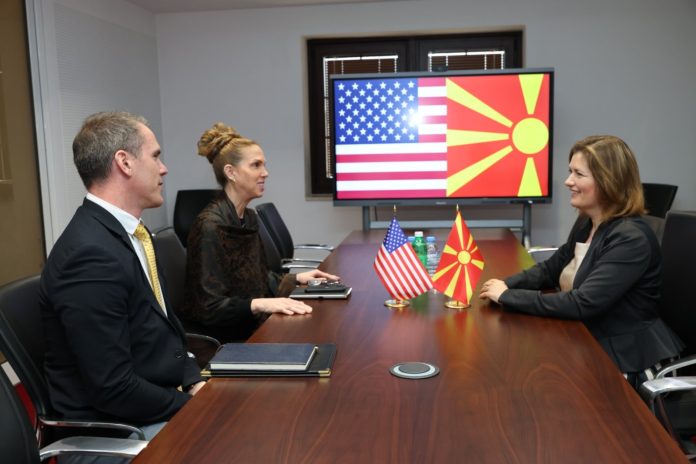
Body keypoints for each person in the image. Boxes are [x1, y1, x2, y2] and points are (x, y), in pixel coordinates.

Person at [40, 112, 206, 449]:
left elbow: (163, 329)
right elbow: (113, 388)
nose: (164, 168)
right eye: (155, 156)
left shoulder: (132, 234)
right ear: (125, 162)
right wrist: (194, 406)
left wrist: (194, 382)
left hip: (150, 405)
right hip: (116, 434)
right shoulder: (88, 255)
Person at [480, 135, 683, 387]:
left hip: (629, 361)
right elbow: (550, 270)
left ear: (608, 181)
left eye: (578, 174)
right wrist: (505, 285)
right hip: (589, 340)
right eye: (570, 172)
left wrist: (508, 297)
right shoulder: (588, 222)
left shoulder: (631, 239)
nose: (568, 181)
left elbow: (583, 303)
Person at [183, 123, 338, 343]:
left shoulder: (249, 218)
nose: (265, 173)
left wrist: (297, 278)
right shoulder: (210, 226)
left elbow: (259, 278)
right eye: (256, 165)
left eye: (264, 165)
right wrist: (260, 304)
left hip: (253, 324)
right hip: (230, 337)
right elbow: (210, 308)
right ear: (231, 172)